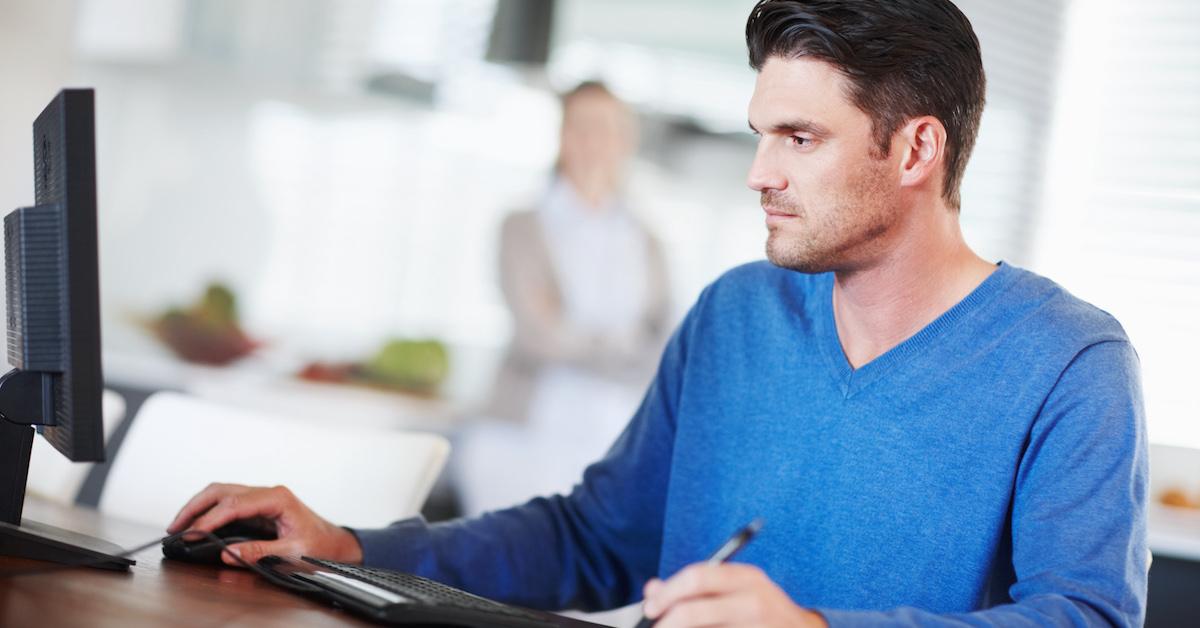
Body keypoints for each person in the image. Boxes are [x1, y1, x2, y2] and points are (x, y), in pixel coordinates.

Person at [168, 1, 1148, 626]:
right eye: (762, 134)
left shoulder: (1070, 361)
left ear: (916, 150)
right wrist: (353, 545)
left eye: (800, 138)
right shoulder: (735, 315)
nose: (761, 174)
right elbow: (599, 540)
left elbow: (1087, 619)